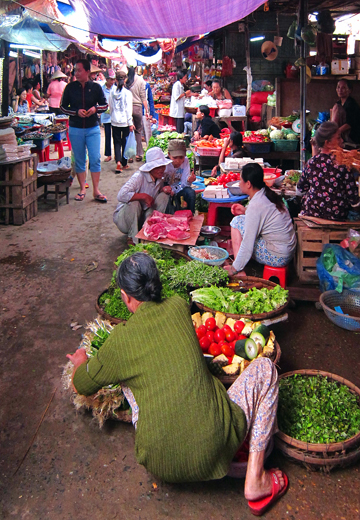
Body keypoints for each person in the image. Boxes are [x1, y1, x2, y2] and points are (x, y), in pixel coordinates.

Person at [67, 252, 288, 516]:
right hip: (219, 443)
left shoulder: (121, 342)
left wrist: (81, 360)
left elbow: (81, 385)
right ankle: (256, 478)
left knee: (126, 377)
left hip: (161, 464)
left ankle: (184, 451)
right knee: (265, 368)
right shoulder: (179, 306)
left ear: (125, 296)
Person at [224, 163, 296, 276]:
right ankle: (239, 265)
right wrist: (245, 211)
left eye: (240, 180)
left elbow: (248, 243)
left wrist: (234, 268)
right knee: (241, 219)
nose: (239, 183)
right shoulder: (267, 194)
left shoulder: (256, 205)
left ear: (248, 184)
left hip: (278, 256)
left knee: (236, 222)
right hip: (288, 250)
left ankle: (239, 271)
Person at [60, 59, 108, 203]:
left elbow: (104, 105)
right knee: (80, 160)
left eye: (79, 70)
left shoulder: (96, 88)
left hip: (93, 128)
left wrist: (95, 109)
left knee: (95, 158)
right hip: (75, 128)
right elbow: (62, 107)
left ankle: (96, 190)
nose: (76, 73)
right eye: (75, 70)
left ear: (87, 71)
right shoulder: (70, 87)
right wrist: (76, 112)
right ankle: (82, 189)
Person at [297, 121, 360, 221]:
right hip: (336, 216)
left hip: (312, 213)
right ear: (328, 143)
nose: (342, 140)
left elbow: (301, 188)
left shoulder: (312, 161)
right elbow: (353, 197)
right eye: (338, 137)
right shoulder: (342, 163)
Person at [113, 147, 172, 243]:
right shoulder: (139, 177)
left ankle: (153, 230)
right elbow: (121, 195)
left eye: (162, 166)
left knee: (164, 196)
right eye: (157, 167)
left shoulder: (160, 177)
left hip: (144, 216)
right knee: (134, 203)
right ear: (150, 167)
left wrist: (163, 189)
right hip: (125, 220)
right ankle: (133, 238)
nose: (161, 169)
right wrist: (143, 196)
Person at [109, 71, 134, 173]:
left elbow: (110, 106)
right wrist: (130, 122)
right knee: (125, 141)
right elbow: (128, 109)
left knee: (117, 142)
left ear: (115, 80)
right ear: (125, 80)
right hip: (125, 121)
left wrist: (112, 116)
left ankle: (118, 162)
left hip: (115, 121)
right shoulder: (127, 93)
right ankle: (124, 163)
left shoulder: (111, 91)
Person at [163, 139, 196, 214]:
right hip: (166, 191)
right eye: (175, 158)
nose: (178, 161)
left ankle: (191, 216)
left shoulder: (186, 161)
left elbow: (184, 184)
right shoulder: (164, 163)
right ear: (169, 154)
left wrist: (189, 180)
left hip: (178, 189)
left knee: (190, 193)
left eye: (181, 157)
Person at [126, 66, 149, 162]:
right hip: (138, 109)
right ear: (136, 69)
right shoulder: (140, 80)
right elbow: (143, 97)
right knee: (138, 131)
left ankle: (130, 155)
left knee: (129, 132)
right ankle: (139, 154)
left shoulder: (126, 80)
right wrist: (147, 111)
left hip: (128, 109)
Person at [331, 79, 360, 145]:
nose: (340, 90)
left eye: (343, 88)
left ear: (349, 90)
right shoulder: (338, 104)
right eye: (338, 87)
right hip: (342, 137)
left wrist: (336, 133)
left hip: (352, 139)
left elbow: (349, 124)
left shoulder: (352, 104)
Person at [101, 69, 116, 163]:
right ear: (106, 79)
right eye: (111, 79)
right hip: (106, 116)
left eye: (113, 79)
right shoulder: (102, 89)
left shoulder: (115, 88)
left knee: (116, 136)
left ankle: (116, 154)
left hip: (115, 116)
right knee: (107, 136)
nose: (112, 81)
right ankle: (108, 154)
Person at [142, 80, 157, 145]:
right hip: (144, 112)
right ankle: (148, 146)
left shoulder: (146, 85)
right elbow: (150, 100)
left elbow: (150, 100)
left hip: (143, 112)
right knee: (147, 133)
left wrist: (151, 113)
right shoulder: (146, 85)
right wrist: (151, 113)